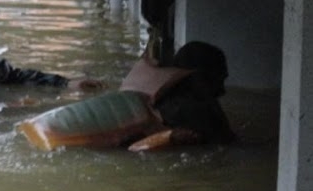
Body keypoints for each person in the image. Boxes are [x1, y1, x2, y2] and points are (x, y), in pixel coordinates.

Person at [20, 40, 235, 151]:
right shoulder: (189, 108)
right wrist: (170, 137)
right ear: (201, 78)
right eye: (220, 79)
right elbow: (231, 147)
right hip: (68, 149)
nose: (223, 90)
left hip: (39, 130)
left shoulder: (149, 92)